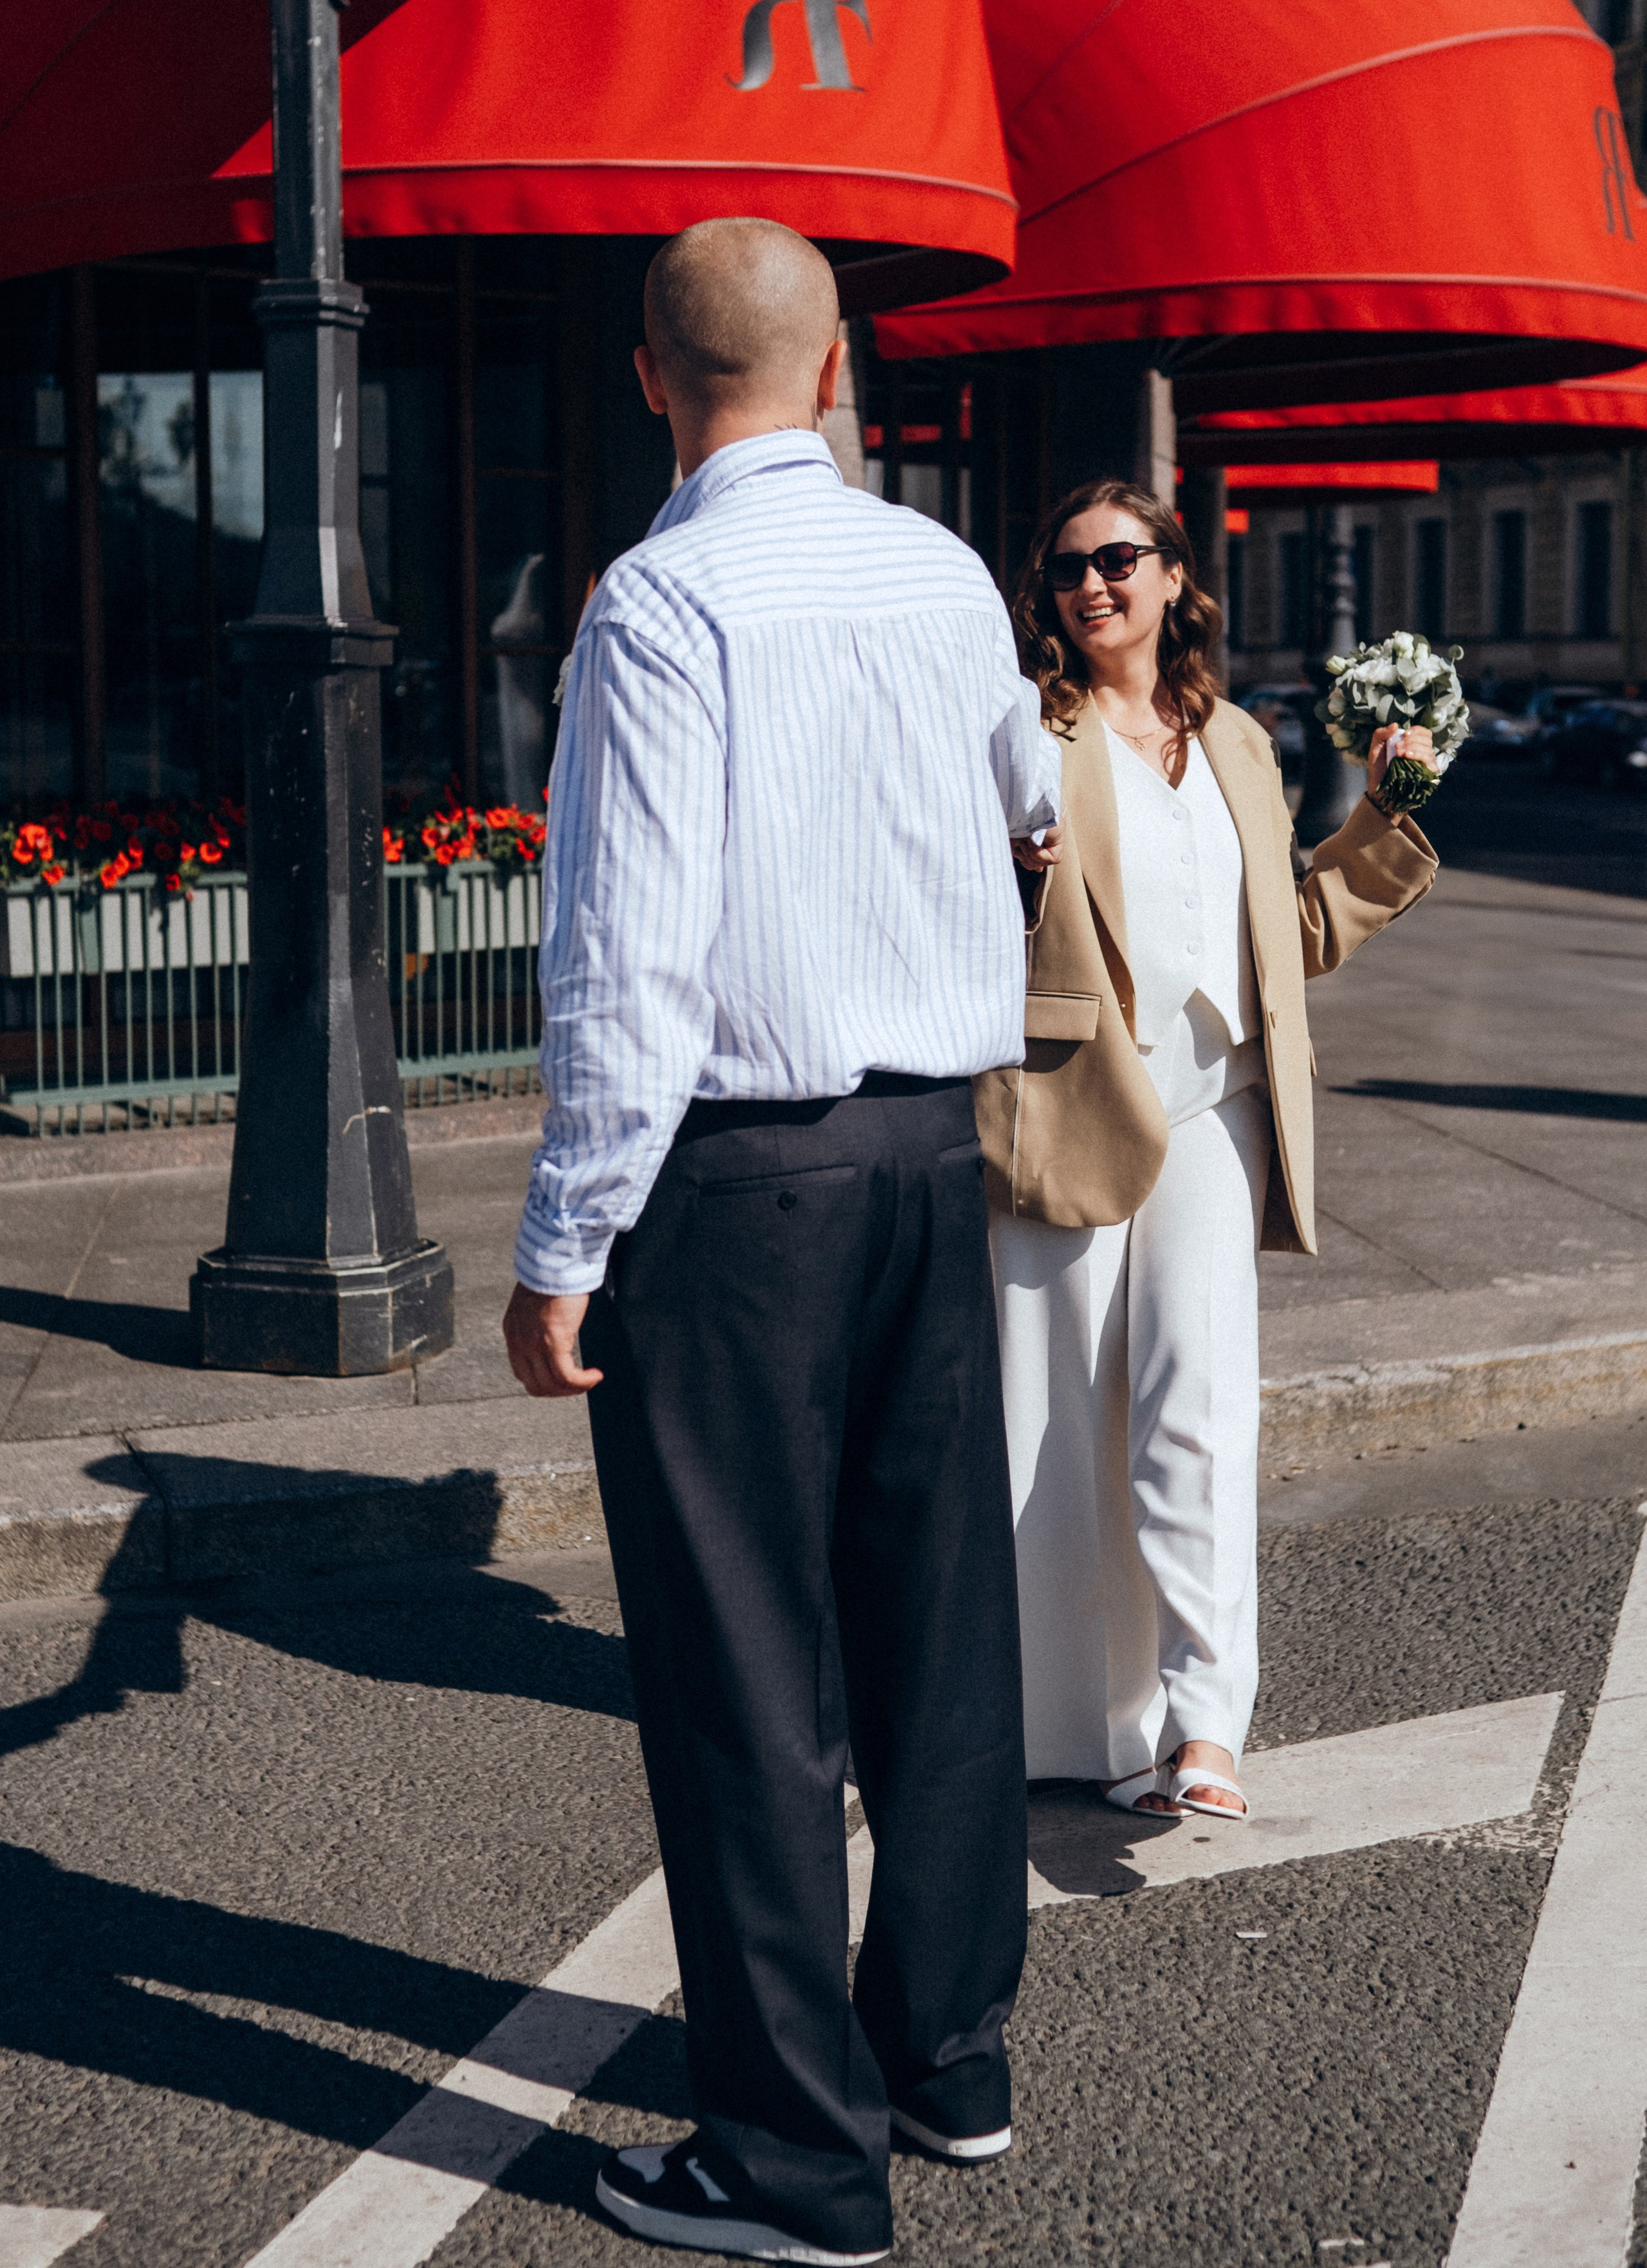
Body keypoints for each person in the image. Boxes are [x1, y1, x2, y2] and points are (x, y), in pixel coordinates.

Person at [502, 218, 1062, 2265]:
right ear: (840, 370)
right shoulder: (933, 573)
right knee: (940, 1622)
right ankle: (949, 2062)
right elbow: (1036, 807)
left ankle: (793, 2165)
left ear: (651, 379)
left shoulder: (659, 604)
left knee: (748, 1674)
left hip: (739, 1181)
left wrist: (566, 1235)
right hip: (933, 1145)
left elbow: (629, 964)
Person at [975, 481, 1437, 1822]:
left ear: (1175, 575)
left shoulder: (1235, 739)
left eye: (1119, 559)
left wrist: (1380, 820)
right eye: (1065, 567)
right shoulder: (1024, 727)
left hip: (1215, 1107)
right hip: (1065, 1099)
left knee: (1196, 1412)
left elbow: (1277, 938)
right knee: (1050, 1426)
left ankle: (1202, 1723)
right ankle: (1064, 1727)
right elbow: (950, 898)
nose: (1091, 586)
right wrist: (1007, 873)